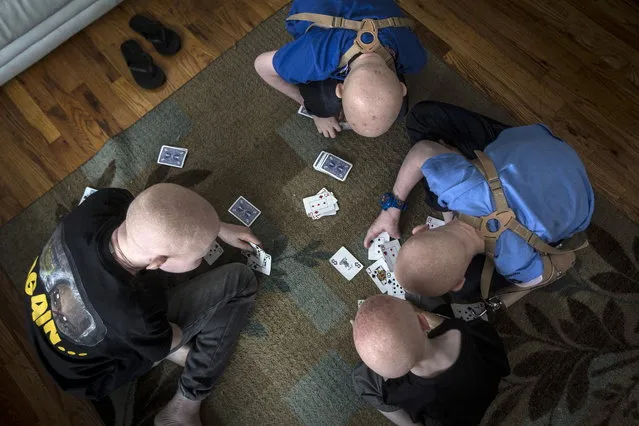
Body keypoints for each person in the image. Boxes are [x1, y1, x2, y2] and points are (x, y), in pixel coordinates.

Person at [24, 183, 261, 426]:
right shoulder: (135, 311)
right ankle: (184, 406)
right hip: (95, 375)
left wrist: (216, 227)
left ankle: (145, 345)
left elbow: (151, 212)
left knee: (138, 327)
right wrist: (162, 341)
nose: (202, 259)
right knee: (240, 281)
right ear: (159, 261)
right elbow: (174, 337)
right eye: (200, 256)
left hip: (42, 329)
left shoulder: (103, 203)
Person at [364, 101, 594, 307]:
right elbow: (422, 150)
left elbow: (562, 263)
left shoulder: (515, 264)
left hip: (582, 198)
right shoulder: (453, 185)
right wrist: (393, 206)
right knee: (421, 119)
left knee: (477, 286)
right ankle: (460, 161)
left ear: (458, 281)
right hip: (542, 147)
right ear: (420, 229)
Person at [254, 0, 427, 138]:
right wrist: (312, 110)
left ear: (341, 88)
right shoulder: (314, 55)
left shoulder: (416, 57)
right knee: (322, 103)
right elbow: (261, 65)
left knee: (399, 110)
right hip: (316, 14)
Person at [352, 295, 510, 425]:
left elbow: (392, 385)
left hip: (456, 420)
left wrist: (373, 348)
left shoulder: (404, 391)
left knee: (360, 378)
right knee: (424, 298)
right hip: (486, 385)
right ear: (423, 322)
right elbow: (488, 337)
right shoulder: (462, 330)